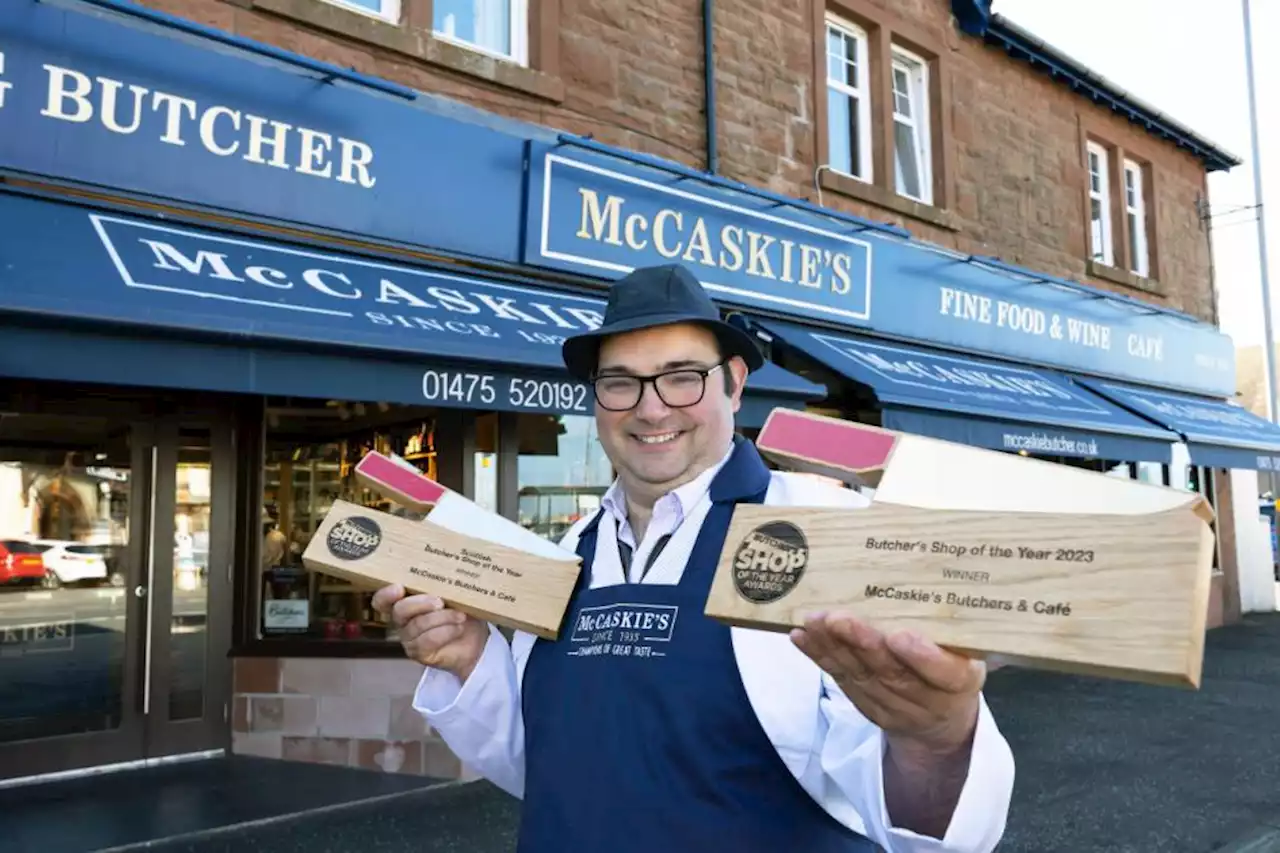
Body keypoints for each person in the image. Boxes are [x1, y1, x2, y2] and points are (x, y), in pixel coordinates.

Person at [372, 263, 1015, 852]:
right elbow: (542, 768)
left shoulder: (828, 534)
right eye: (621, 383)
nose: (652, 408)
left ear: (733, 385)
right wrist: (468, 660)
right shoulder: (571, 551)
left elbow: (924, 828)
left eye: (683, 378)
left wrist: (935, 739)